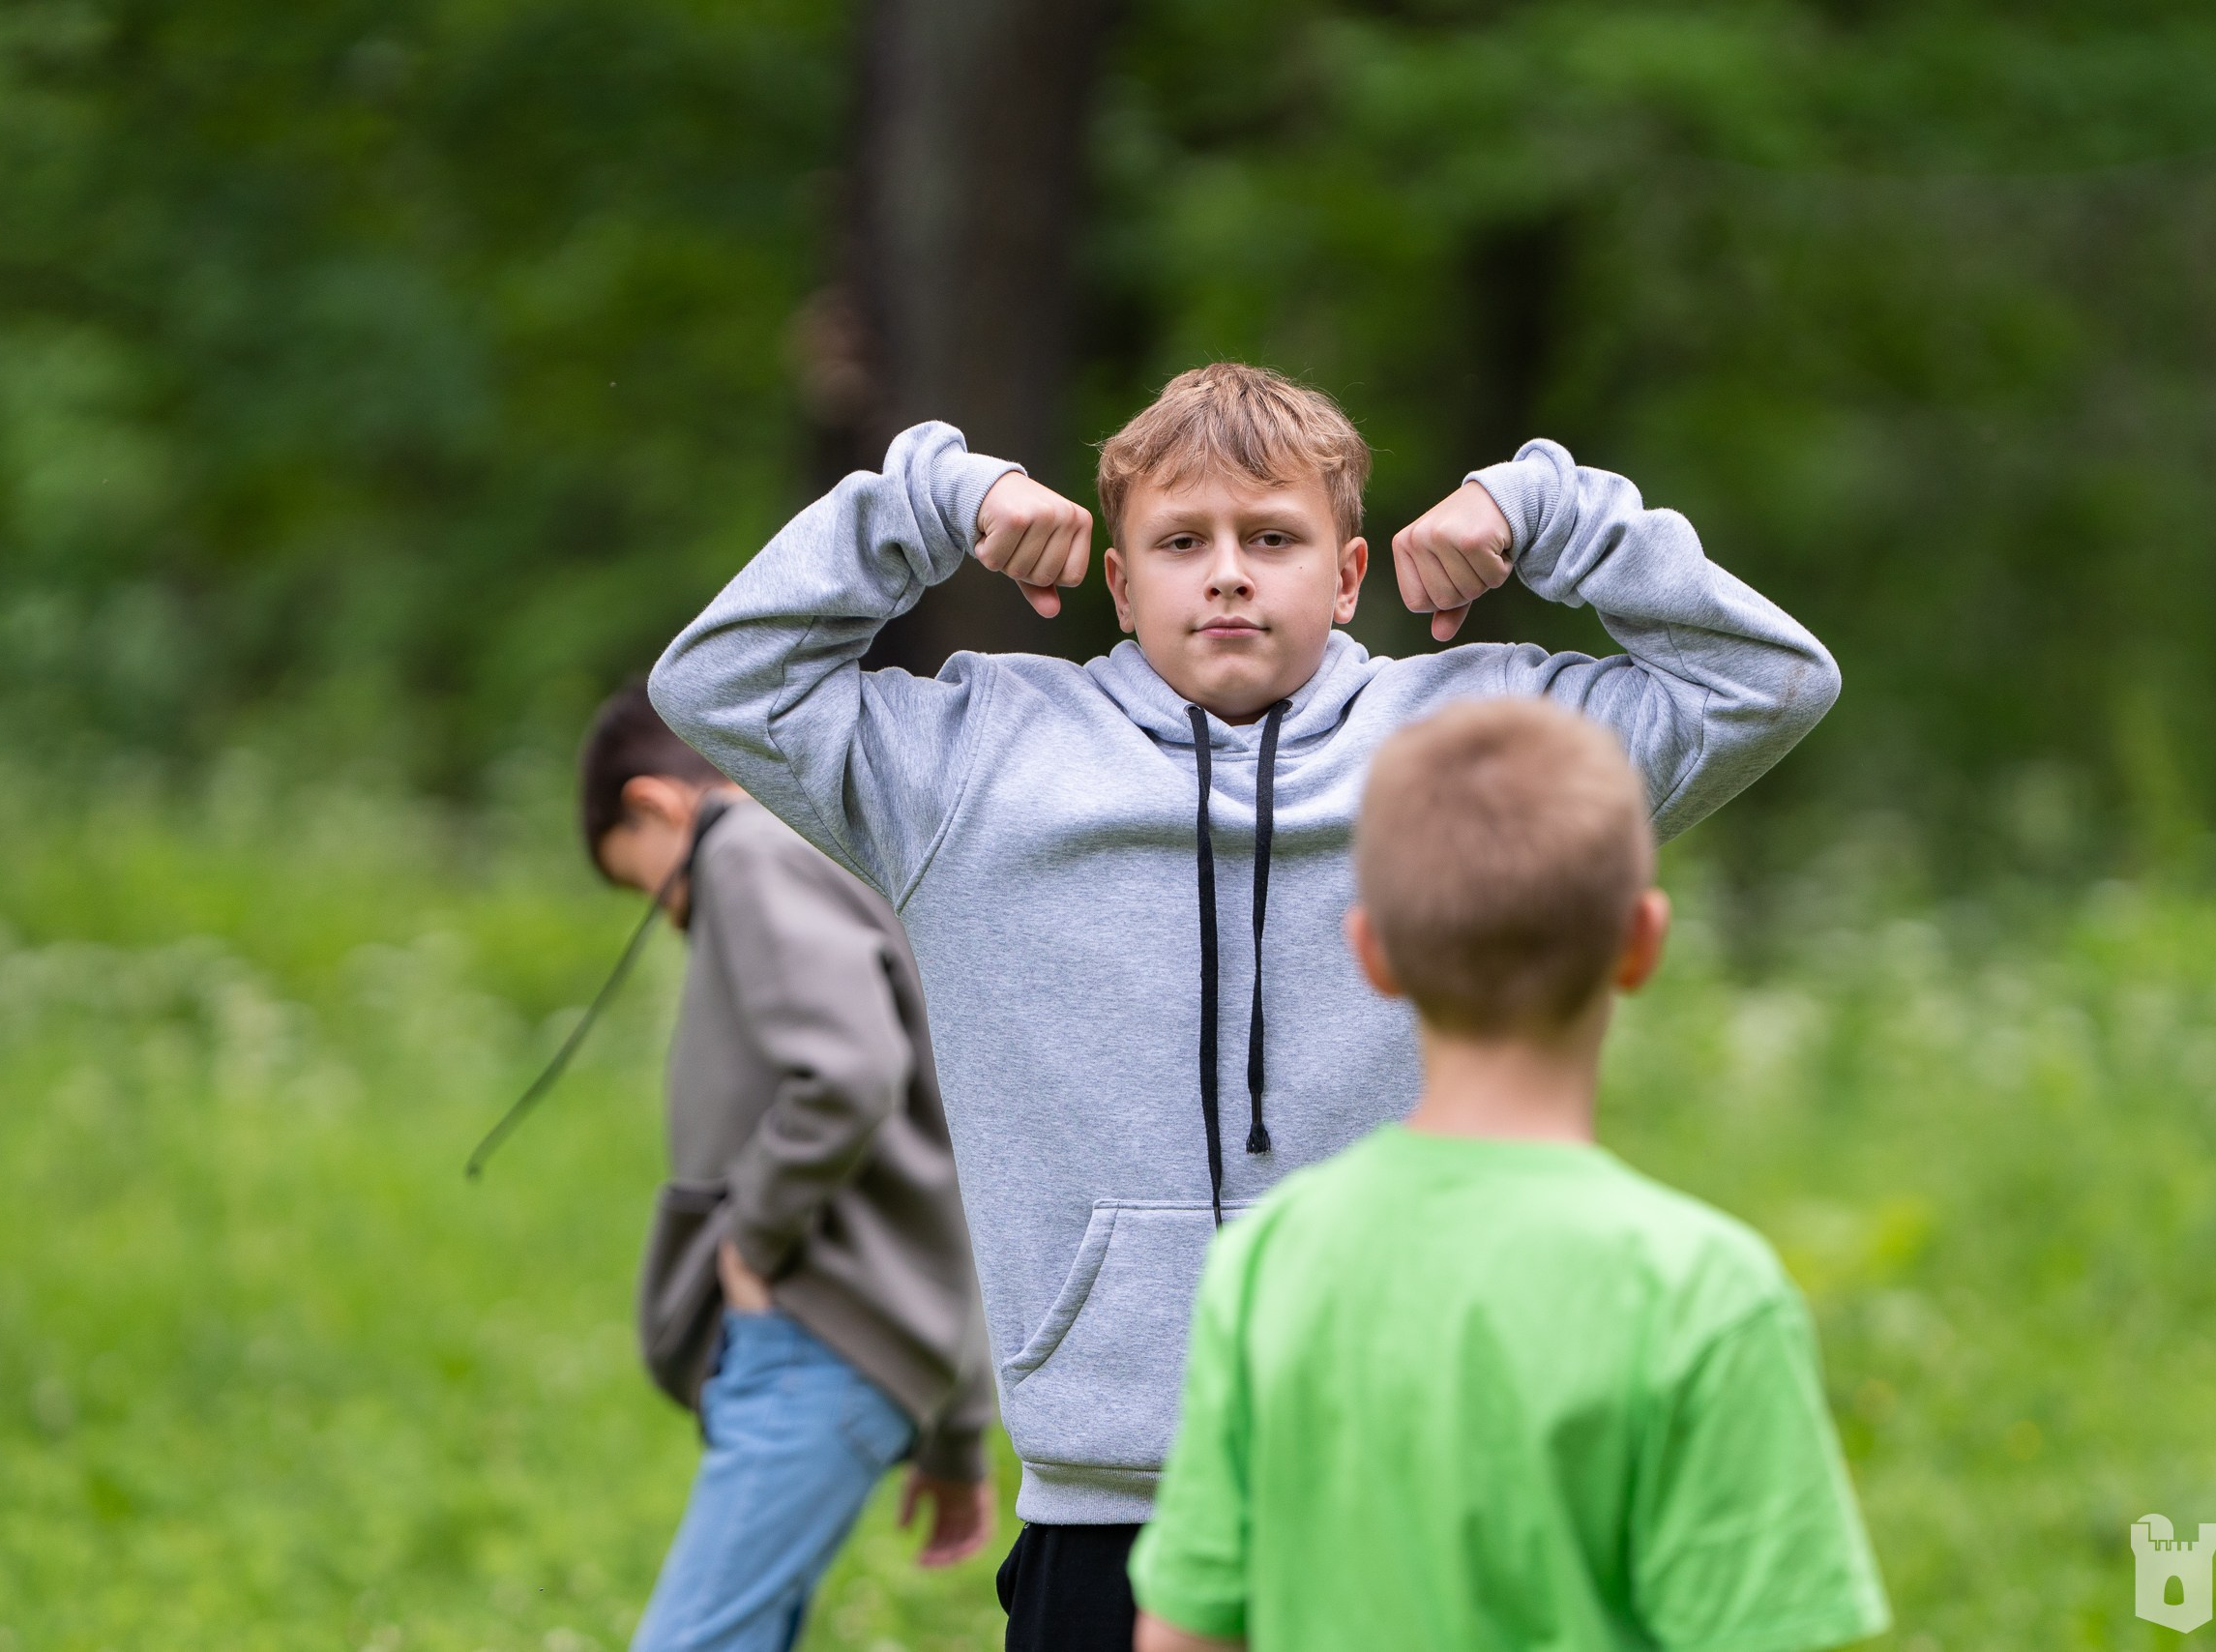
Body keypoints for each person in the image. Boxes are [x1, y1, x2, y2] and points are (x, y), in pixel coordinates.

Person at [648, 363, 1842, 1650]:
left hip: (1404, 1479)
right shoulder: (970, 760)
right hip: (1109, 1500)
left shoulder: (1471, 747)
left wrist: (1547, 513)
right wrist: (939, 501)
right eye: (1181, 542)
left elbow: (1767, 685)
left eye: (1272, 539)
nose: (1226, 574)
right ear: (1118, 579)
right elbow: (719, 684)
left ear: (1346, 574)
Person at [1129, 699, 1890, 1652]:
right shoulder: (1705, 1292)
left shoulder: (1266, 1260)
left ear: (1370, 953)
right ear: (1641, 941)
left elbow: (1183, 1636)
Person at [580, 674, 996, 1652]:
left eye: (648, 887)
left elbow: (850, 1074)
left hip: (813, 1340)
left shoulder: (744, 852)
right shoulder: (820, 853)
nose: (670, 918)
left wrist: (750, 1243)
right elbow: (943, 1148)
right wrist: (956, 1424)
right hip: (850, 1346)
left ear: (656, 803)